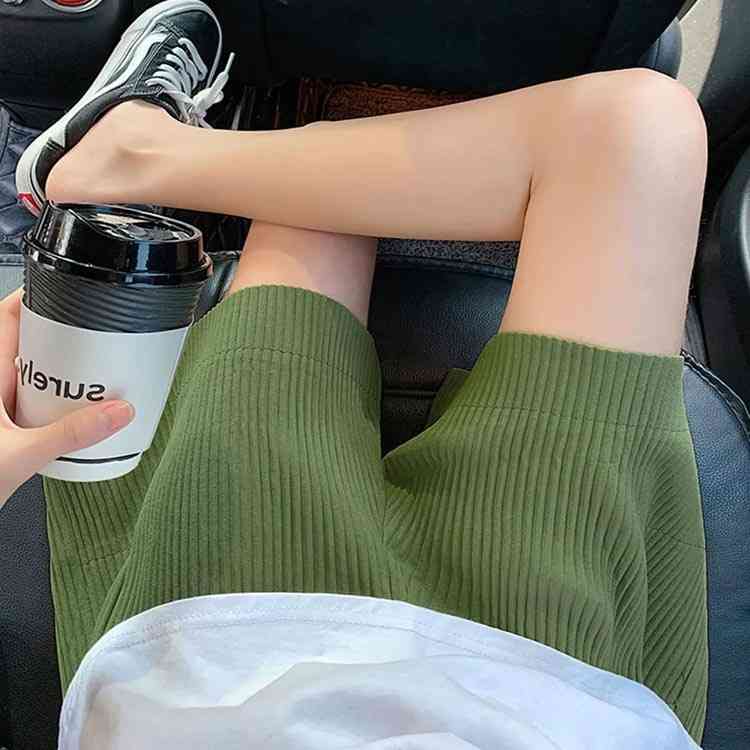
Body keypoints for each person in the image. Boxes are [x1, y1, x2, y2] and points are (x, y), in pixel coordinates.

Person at [2, 0, 708, 747]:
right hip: (561, 690)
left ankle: (142, 152)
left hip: (227, 663)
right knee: (640, 133)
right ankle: (144, 152)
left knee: (314, 201)